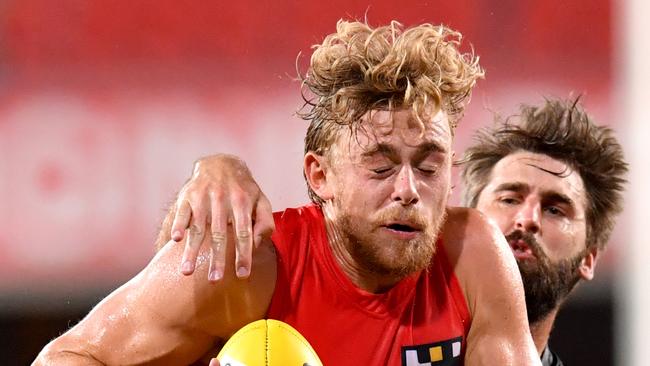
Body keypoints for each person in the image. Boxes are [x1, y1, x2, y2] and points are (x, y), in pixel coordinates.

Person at [34, 20, 540, 365]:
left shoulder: (472, 257)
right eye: (381, 166)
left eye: (428, 167)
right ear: (320, 178)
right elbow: (70, 356)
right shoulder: (242, 267)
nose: (408, 190)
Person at [174, 97, 627, 366]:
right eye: (508, 199)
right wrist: (216, 168)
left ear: (592, 255)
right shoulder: (286, 265)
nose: (526, 220)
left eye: (555, 208)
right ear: (463, 216)